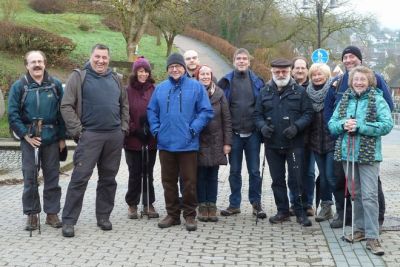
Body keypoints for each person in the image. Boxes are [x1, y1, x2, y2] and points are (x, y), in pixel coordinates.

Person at [60, 44, 129, 237]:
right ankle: (69, 221)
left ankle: (103, 217)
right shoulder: (79, 76)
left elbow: (124, 105)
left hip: (114, 137)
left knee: (108, 179)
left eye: (104, 57)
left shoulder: (116, 79)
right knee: (79, 178)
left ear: (109, 59)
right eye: (97, 57)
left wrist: (123, 129)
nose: (101, 61)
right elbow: (66, 106)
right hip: (89, 136)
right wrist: (79, 132)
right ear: (91, 57)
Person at [324, 45, 394, 229]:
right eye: (345, 57)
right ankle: (354, 223)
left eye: (352, 56)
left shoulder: (376, 88)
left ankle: (374, 227)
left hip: (368, 149)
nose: (359, 82)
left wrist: (362, 126)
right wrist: (341, 126)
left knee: (371, 191)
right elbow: (330, 116)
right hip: (345, 146)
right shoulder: (340, 85)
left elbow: (387, 117)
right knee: (352, 189)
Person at [147, 53, 213, 231]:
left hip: (187, 144)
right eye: (171, 67)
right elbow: (151, 110)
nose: (174, 69)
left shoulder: (196, 87)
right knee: (168, 181)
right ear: (167, 70)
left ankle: (190, 215)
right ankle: (173, 214)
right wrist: (156, 130)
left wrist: (193, 129)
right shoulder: (160, 88)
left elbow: (206, 111)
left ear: (184, 68)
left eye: (178, 66)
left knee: (189, 182)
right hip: (165, 144)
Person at [8, 50, 66, 230]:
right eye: (33, 62)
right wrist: (25, 135)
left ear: (45, 63)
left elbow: (63, 112)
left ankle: (52, 213)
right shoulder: (20, 86)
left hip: (51, 138)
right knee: (30, 178)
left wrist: (62, 138)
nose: (37, 65)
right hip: (29, 139)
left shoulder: (55, 85)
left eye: (40, 61)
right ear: (27, 65)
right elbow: (13, 114)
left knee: (52, 178)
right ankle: (32, 214)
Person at [253, 58, 313, 227]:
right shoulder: (265, 91)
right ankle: (282, 211)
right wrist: (263, 127)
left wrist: (297, 127)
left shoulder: (300, 92)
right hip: (272, 144)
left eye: (284, 71)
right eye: (277, 72)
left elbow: (308, 113)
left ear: (290, 72)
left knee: (296, 180)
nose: (281, 74)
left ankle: (301, 212)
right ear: (272, 72)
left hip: (294, 143)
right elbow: (257, 115)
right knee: (277, 180)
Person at [217, 48, 266, 218]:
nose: (242, 61)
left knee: (254, 171)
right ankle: (234, 204)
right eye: (239, 58)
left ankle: (256, 203)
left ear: (249, 62)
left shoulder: (258, 82)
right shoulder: (225, 82)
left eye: (245, 58)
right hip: (234, 134)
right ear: (234, 61)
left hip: (253, 134)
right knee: (234, 171)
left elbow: (264, 107)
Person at [194, 65, 232, 222]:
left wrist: (227, 143)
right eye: (202, 74)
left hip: (216, 141)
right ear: (197, 77)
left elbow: (227, 119)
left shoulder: (220, 94)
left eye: (207, 74)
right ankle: (202, 206)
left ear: (211, 76)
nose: (205, 77)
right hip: (199, 141)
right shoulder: (194, 92)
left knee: (213, 175)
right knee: (200, 175)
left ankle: (212, 206)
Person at [124, 56, 159, 220]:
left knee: (148, 172)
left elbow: (159, 111)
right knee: (135, 172)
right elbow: (123, 112)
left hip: (150, 138)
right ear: (135, 72)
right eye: (140, 71)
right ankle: (132, 203)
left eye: (145, 71)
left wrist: (152, 129)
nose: (143, 74)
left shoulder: (155, 89)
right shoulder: (127, 90)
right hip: (133, 139)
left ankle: (148, 202)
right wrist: (134, 129)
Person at [305, 63, 336, 222]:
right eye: (314, 75)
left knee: (331, 176)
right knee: (323, 176)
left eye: (320, 74)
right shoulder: (307, 92)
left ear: (327, 75)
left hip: (332, 141)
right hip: (315, 142)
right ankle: (326, 208)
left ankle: (342, 208)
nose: (317, 77)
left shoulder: (333, 91)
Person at [290, 56, 316, 217]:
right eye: (297, 68)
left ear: (307, 70)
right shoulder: (287, 86)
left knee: (309, 173)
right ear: (292, 70)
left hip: (311, 137)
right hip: (292, 137)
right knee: (294, 173)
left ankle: (308, 204)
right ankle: (294, 203)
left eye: (303, 68)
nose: (300, 70)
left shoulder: (314, 87)